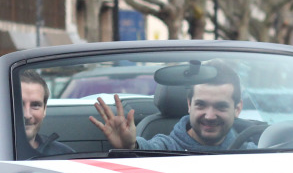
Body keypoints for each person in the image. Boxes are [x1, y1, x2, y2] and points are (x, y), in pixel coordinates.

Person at [90, 60, 256, 152]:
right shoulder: (167, 148)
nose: (210, 115)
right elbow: (149, 150)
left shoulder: (254, 152)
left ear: (238, 109)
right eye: (201, 105)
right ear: (189, 104)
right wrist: (131, 147)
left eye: (220, 107)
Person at [20, 69, 74, 158]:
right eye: (19, 104)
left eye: (35, 105)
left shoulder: (63, 155)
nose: (27, 115)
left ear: (45, 109)